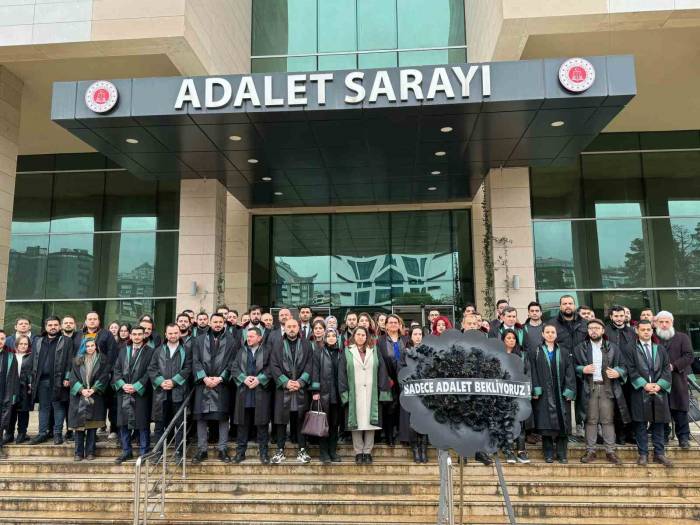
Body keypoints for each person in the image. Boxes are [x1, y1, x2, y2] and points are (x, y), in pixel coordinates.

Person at [574, 319, 628, 464]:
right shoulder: (580, 348)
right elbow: (572, 366)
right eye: (591, 328)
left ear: (603, 331)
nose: (593, 331)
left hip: (607, 387)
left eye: (597, 328)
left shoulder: (613, 348)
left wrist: (618, 372)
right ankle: (590, 451)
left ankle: (610, 451)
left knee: (607, 420)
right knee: (590, 420)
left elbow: (623, 366)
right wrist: (582, 369)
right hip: (589, 387)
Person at [338, 326, 391, 465]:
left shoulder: (374, 351)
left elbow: (382, 371)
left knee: (370, 422)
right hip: (354, 393)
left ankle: (367, 452)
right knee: (356, 422)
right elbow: (341, 374)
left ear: (367, 337)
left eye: (363, 334)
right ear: (353, 336)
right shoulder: (348, 352)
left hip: (371, 393)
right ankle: (358, 451)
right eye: (358, 334)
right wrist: (344, 394)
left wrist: (383, 391)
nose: (360, 337)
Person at [191, 313, 238, 464]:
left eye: (220, 322)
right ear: (210, 323)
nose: (217, 324)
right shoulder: (199, 339)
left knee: (223, 418)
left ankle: (222, 449)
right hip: (203, 384)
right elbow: (195, 360)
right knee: (201, 418)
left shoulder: (231, 340)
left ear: (224, 323)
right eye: (215, 321)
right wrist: (204, 377)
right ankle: (202, 450)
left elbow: (233, 362)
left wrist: (220, 378)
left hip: (222, 384)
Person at [629, 320, 673, 467]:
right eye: (643, 330)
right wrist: (644, 384)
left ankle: (659, 454)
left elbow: (667, 368)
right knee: (640, 424)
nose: (646, 332)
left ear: (652, 331)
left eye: (649, 329)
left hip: (658, 391)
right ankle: (643, 454)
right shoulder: (631, 349)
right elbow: (630, 369)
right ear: (637, 331)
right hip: (640, 391)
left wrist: (660, 385)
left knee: (659, 423)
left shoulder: (659, 349)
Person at [531, 324, 576, 463]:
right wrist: (536, 389)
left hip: (560, 393)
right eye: (547, 332)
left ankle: (562, 454)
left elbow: (570, 371)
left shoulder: (563, 351)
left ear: (556, 335)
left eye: (553, 332)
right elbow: (533, 371)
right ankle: (548, 453)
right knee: (546, 425)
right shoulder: (536, 351)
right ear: (543, 334)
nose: (550, 334)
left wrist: (569, 390)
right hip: (544, 393)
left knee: (563, 424)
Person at [270, 318, 312, 464]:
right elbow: (273, 365)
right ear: (285, 328)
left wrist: (300, 382)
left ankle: (302, 450)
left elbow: (309, 364)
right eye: (289, 326)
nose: (292, 329)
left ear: (298, 327)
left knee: (301, 419)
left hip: (300, 389)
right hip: (284, 389)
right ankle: (280, 450)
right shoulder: (277, 344)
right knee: (281, 420)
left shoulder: (306, 344)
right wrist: (286, 382)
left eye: (294, 326)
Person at [148, 323, 192, 462]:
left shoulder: (186, 349)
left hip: (179, 392)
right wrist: (161, 381)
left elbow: (188, 368)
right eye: (170, 333)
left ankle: (179, 453)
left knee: (179, 424)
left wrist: (174, 381)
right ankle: (158, 453)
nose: (173, 335)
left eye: (175, 333)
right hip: (161, 393)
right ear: (166, 334)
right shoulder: (158, 350)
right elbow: (152, 368)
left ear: (179, 333)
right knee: (160, 425)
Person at [28, 317, 74, 445]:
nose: (53, 327)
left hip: (58, 380)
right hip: (41, 381)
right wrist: (32, 380)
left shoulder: (66, 341)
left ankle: (57, 434)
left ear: (59, 327)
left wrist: (67, 377)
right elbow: (33, 361)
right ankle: (42, 433)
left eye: (55, 325)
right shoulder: (38, 341)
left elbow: (70, 361)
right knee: (43, 408)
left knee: (58, 407)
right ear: (45, 327)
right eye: (50, 325)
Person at [112, 326, 155, 464]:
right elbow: (117, 369)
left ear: (144, 336)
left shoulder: (150, 352)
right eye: (134, 334)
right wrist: (122, 384)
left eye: (139, 334)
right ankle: (126, 451)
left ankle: (144, 452)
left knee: (142, 424)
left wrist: (136, 386)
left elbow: (150, 372)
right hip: (124, 391)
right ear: (130, 336)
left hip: (141, 393)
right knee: (123, 424)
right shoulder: (124, 350)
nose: (136, 337)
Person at [232, 326, 272, 464]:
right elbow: (234, 368)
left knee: (262, 424)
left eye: (251, 336)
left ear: (259, 338)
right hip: (244, 392)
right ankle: (240, 452)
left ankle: (264, 453)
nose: (248, 339)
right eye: (247, 337)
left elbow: (271, 368)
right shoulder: (241, 351)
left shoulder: (267, 351)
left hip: (261, 392)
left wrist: (259, 379)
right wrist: (244, 378)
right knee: (242, 424)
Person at [655, 311, 694, 449]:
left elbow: (689, 356)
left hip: (677, 379)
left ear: (672, 322)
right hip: (657, 380)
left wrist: (674, 366)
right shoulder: (652, 338)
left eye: (667, 322)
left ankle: (683, 438)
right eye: (661, 322)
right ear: (656, 323)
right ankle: (663, 437)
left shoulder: (682, 337)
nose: (664, 325)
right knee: (661, 409)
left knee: (680, 410)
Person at [68, 339, 110, 461]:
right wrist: (81, 390)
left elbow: (104, 376)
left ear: (96, 347)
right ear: (83, 347)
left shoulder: (102, 360)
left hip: (95, 396)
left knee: (92, 427)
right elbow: (72, 377)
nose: (90, 348)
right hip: (79, 397)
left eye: (92, 345)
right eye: (87, 346)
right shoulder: (77, 361)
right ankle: (78, 453)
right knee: (79, 427)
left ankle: (91, 452)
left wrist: (94, 389)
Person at [605, 304, 637, 445]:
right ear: (611, 317)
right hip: (611, 374)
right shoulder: (605, 331)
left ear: (625, 316)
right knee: (616, 407)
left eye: (621, 316)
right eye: (616, 316)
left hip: (630, 375)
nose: (619, 318)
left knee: (631, 405)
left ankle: (631, 433)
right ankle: (620, 435)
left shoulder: (632, 332)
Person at [310, 328, 343, 464]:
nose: (330, 338)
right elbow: (315, 371)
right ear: (324, 338)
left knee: (335, 424)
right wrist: (315, 391)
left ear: (337, 338)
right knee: (323, 424)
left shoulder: (341, 353)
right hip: (323, 393)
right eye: (328, 336)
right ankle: (323, 453)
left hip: (337, 394)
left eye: (333, 335)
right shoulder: (318, 352)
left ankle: (332, 451)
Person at [500, 329, 531, 464]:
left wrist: (528, 390)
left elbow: (528, 373)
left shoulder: (522, 355)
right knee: (506, 421)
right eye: (508, 338)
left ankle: (521, 450)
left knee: (520, 421)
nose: (511, 340)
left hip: (519, 392)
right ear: (503, 340)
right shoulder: (498, 355)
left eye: (513, 338)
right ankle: (508, 450)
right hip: (503, 394)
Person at [400, 326, 429, 463]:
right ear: (410, 336)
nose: (417, 336)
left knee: (424, 421)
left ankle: (423, 448)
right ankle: (415, 449)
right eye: (415, 334)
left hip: (425, 391)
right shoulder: (405, 352)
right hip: (410, 390)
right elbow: (400, 370)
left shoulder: (428, 351)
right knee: (411, 422)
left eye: (420, 334)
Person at [377, 314, 405, 447]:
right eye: (391, 322)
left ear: (399, 325)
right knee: (389, 408)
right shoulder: (380, 341)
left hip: (404, 379)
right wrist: (385, 377)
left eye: (396, 322)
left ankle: (402, 433)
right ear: (386, 325)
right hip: (388, 378)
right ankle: (389, 436)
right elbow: (379, 361)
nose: (393, 324)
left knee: (403, 407)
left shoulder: (405, 340)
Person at [6, 334, 31, 444]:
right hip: (12, 387)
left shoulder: (31, 356)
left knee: (23, 411)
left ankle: (22, 433)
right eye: (21, 343)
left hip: (25, 388)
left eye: (25, 344)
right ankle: (9, 433)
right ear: (16, 345)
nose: (23, 346)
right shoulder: (11, 356)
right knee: (11, 410)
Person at [0, 331, 18, 459]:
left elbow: (14, 378)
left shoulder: (11, 356)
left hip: (4, 392)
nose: (0, 341)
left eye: (2, 338)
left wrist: (12, 396)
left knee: (2, 422)